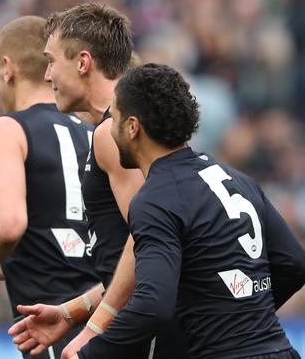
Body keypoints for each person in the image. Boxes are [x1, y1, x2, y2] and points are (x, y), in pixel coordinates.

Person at [82, 62, 305, 359]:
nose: (109, 128)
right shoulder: (235, 178)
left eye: (115, 117)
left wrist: (91, 353)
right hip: (280, 351)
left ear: (133, 127)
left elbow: (153, 304)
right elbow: (293, 263)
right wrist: (239, 318)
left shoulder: (155, 198)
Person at [8, 3, 188, 359]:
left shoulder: (113, 134)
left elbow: (148, 240)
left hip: (147, 333)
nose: (47, 75)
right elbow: (132, 256)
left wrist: (92, 330)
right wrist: (71, 311)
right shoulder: (118, 131)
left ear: (83, 62)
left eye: (51, 60)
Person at [0, 16, 102, 359]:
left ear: (7, 68)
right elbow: (46, 248)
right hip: (105, 315)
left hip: (52, 323)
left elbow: (6, 226)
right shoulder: (96, 132)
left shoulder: (5, 130)